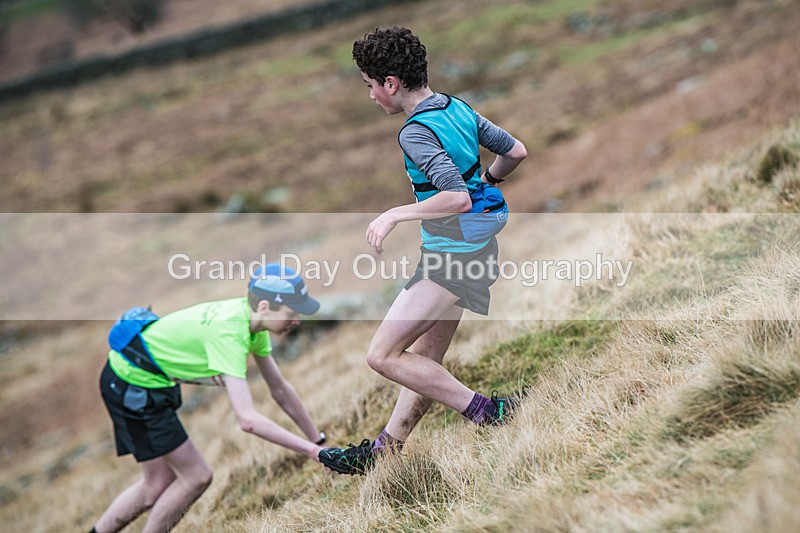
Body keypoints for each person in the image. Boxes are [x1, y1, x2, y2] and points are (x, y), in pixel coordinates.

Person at [318, 26, 528, 475]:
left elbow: (456, 198)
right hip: (475, 248)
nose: (371, 95)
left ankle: (490, 413)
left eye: (370, 84)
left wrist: (394, 214)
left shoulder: (414, 132)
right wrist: (489, 181)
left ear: (390, 83)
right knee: (423, 361)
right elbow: (515, 152)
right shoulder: (457, 107)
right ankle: (385, 451)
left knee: (382, 354)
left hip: (453, 257)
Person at [90, 264, 327, 533]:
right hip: (131, 385)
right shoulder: (230, 333)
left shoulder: (252, 324)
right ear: (264, 307)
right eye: (292, 313)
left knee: (155, 485)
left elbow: (280, 389)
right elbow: (248, 420)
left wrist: (317, 442)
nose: (296, 322)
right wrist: (312, 452)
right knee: (196, 477)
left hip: (138, 381)